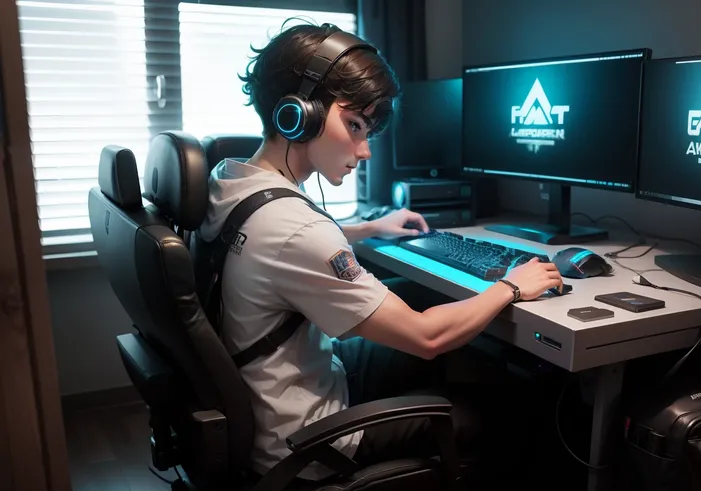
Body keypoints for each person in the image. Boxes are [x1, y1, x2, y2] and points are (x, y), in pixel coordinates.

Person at [196, 21, 564, 481]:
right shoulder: (296, 228)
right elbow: (426, 337)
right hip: (311, 443)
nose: (365, 149)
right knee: (507, 407)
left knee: (431, 315)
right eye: (354, 125)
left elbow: (281, 247)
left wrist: (369, 227)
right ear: (299, 114)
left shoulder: (230, 179)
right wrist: (511, 286)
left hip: (282, 397)